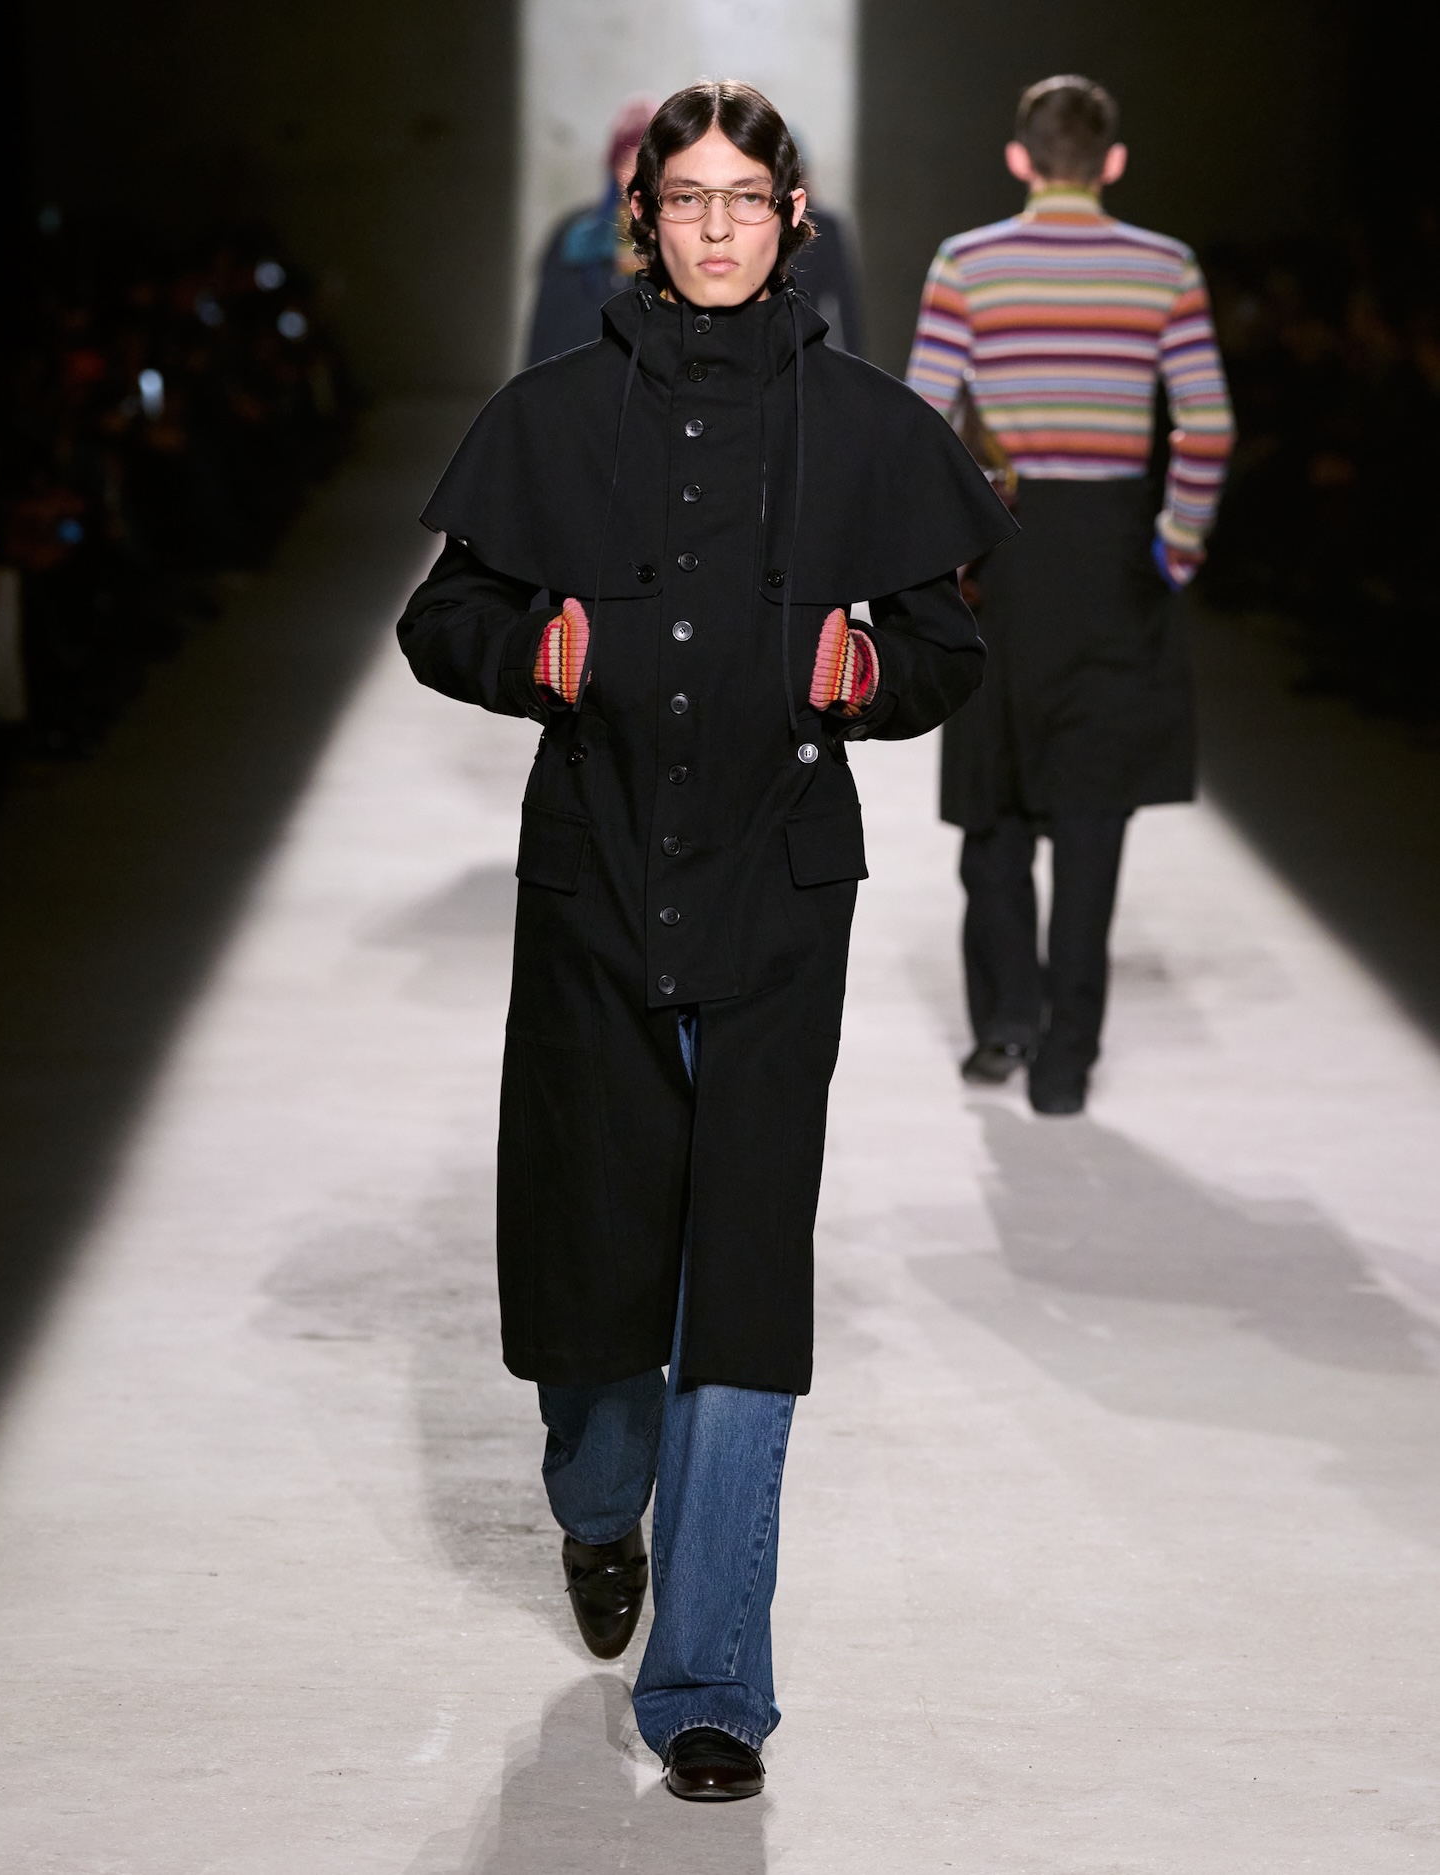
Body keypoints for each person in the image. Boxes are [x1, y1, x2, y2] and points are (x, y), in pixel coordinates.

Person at [398, 82, 1013, 1800]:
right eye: (690, 199)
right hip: (594, 883)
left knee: (740, 1279)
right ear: (645, 219)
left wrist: (872, 673)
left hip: (777, 893)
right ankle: (600, 1503)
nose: (720, 226)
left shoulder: (871, 427)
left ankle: (713, 1685)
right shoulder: (552, 414)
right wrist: (533, 652)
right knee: (600, 1269)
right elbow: (444, 615)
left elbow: (948, 648)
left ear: (794, 219)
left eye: (748, 197)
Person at [906, 74, 1235, 1115]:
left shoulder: (968, 263)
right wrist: (1176, 546)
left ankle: (1006, 1021)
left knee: (994, 804)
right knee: (1092, 817)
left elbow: (924, 421)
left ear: (1020, 159)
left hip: (1005, 556)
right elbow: (1208, 422)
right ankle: (1067, 1059)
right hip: (1113, 560)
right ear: (1113, 163)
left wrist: (944, 558)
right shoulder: (1165, 267)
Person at [525, 97, 659, 367]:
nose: (636, 176)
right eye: (626, 162)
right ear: (613, 167)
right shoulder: (575, 236)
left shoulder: (683, 238)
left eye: (646, 165)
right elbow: (547, 333)